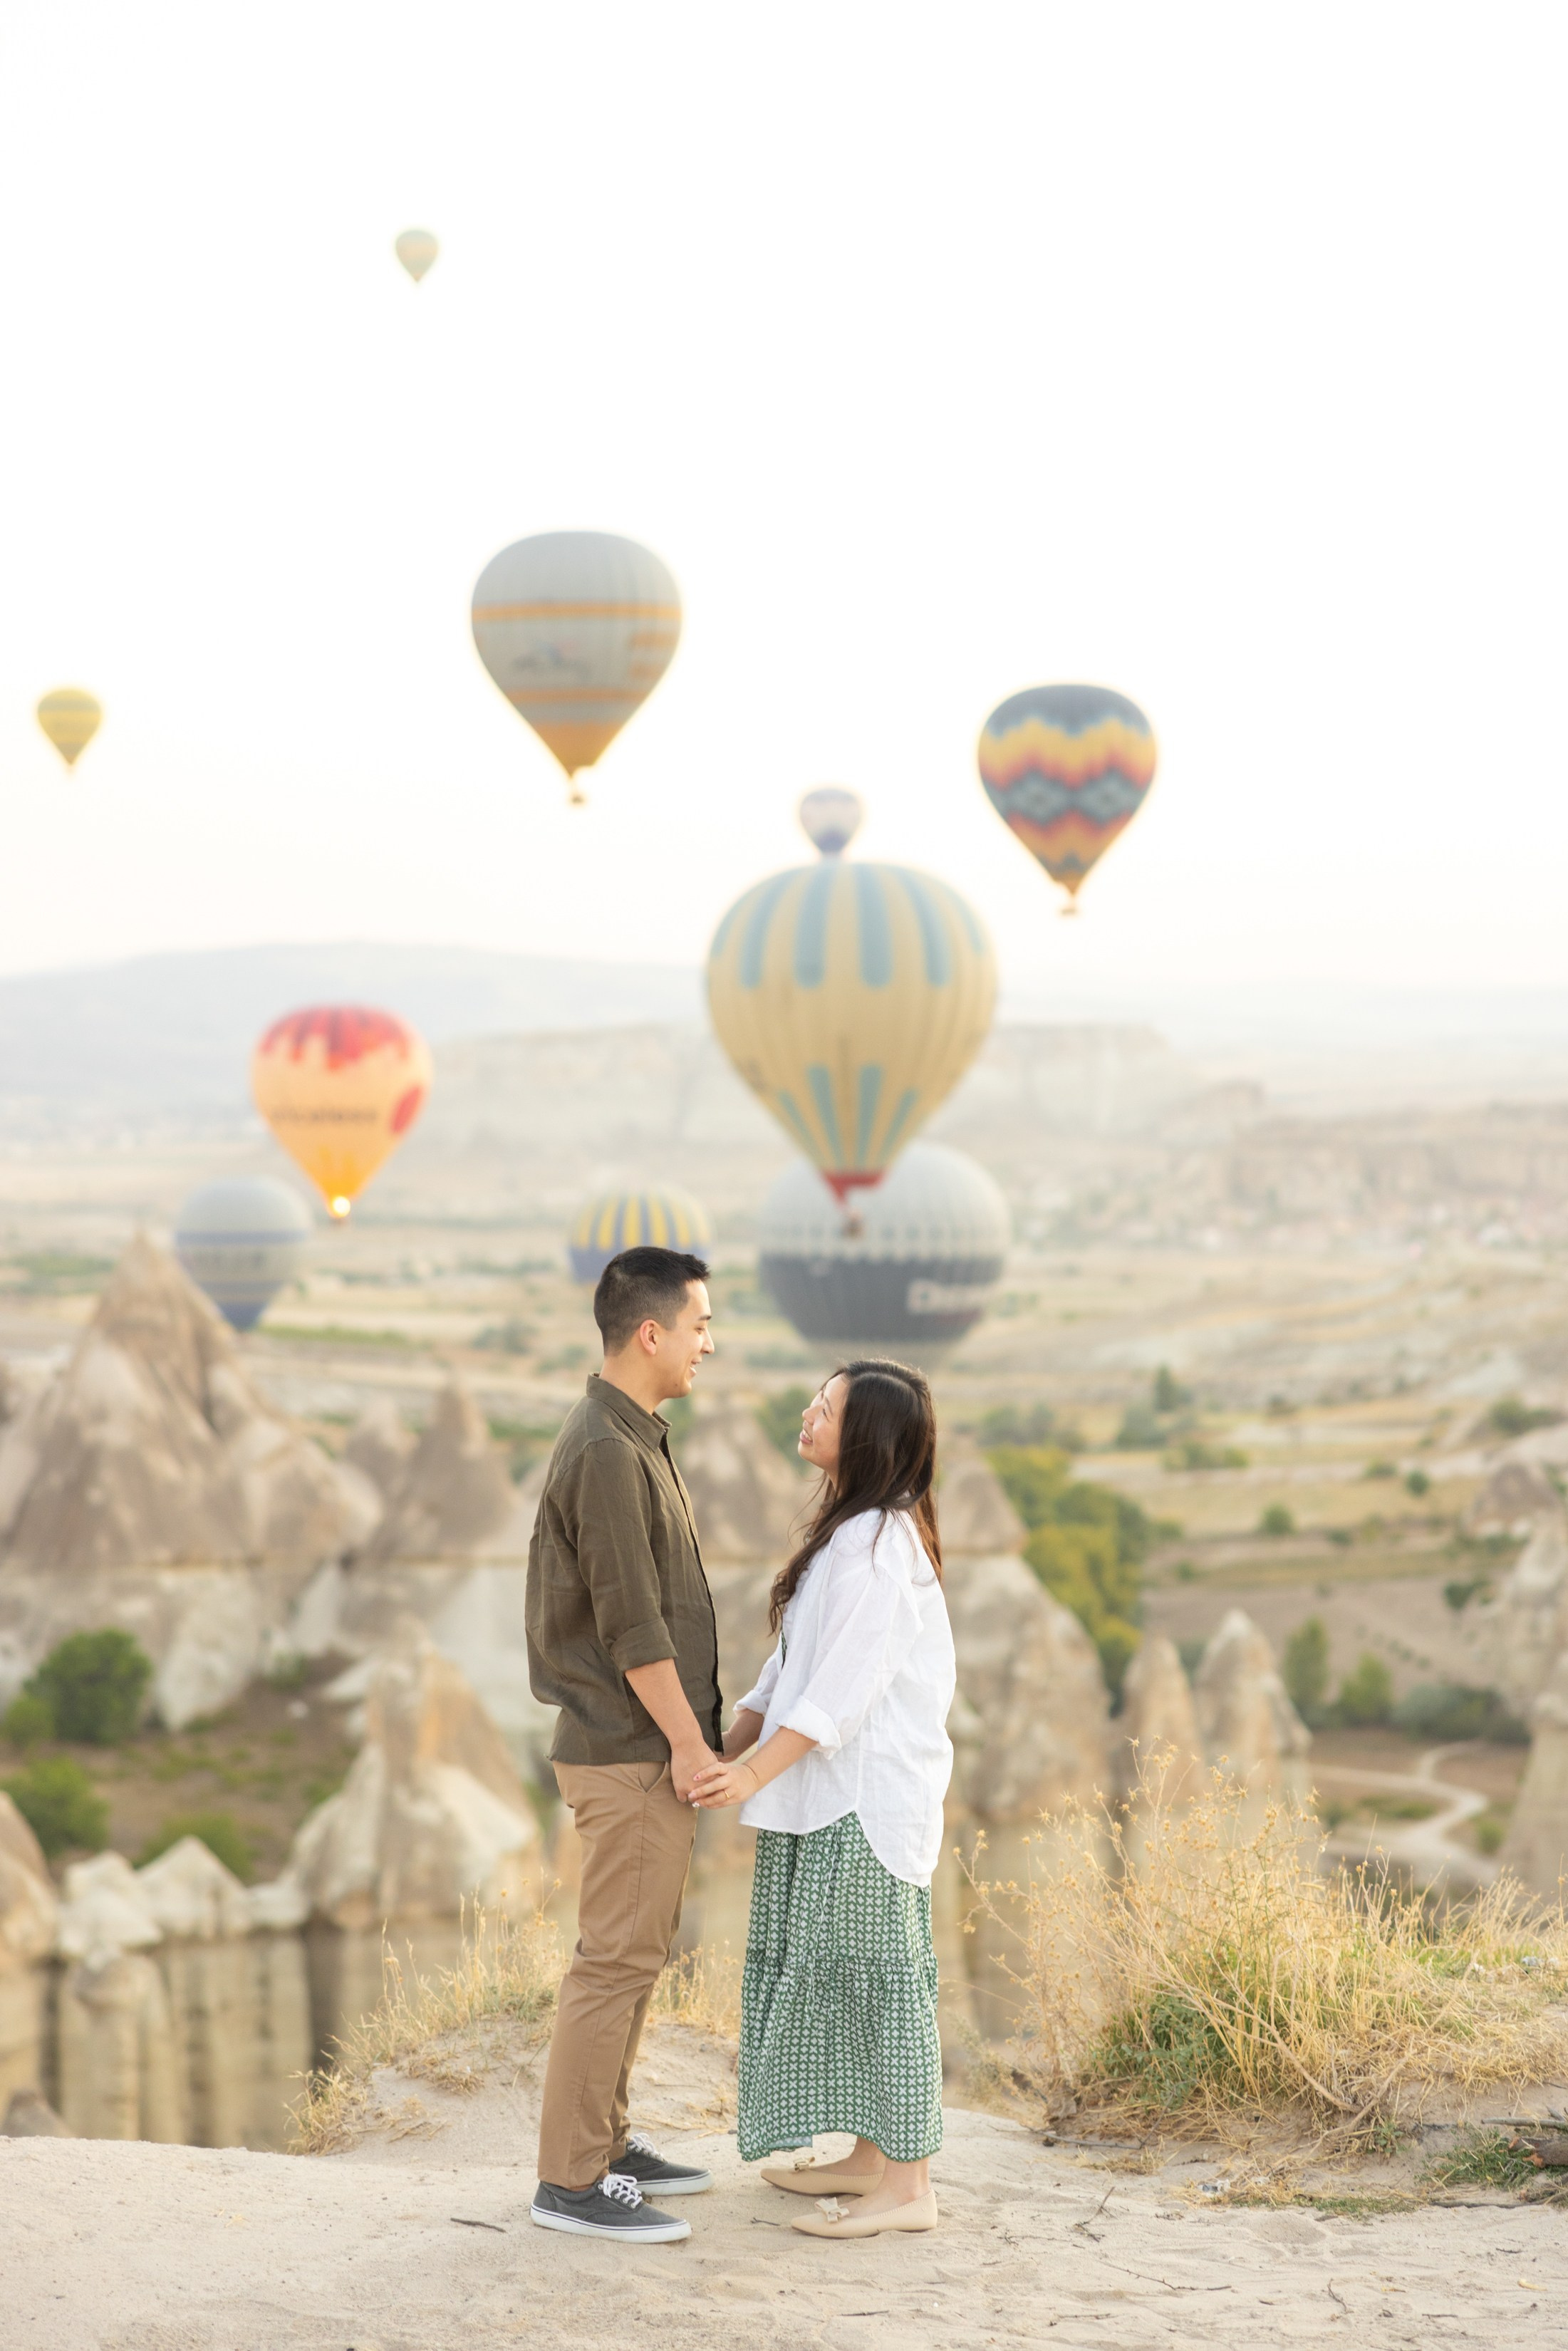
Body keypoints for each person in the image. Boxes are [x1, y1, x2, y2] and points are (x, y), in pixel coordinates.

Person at [691, 1359, 955, 2241]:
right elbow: (787, 1671)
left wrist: (748, 1776)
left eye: (828, 1407)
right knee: (842, 1972)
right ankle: (870, 2156)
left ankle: (908, 2188)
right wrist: (723, 1749)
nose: (807, 1412)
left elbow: (840, 1692)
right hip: (826, 1793)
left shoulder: (878, 1546)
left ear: (866, 1437)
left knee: (880, 1979)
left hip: (864, 1800)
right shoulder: (851, 1532)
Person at [526, 1245, 722, 2244]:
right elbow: (632, 1626)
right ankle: (569, 2182)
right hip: (627, 1746)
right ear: (651, 1333)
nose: (707, 1345)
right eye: (698, 1326)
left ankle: (605, 2145)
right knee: (612, 1963)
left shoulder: (630, 1434)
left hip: (638, 1745)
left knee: (636, 1955)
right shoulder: (606, 1449)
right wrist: (690, 1746)